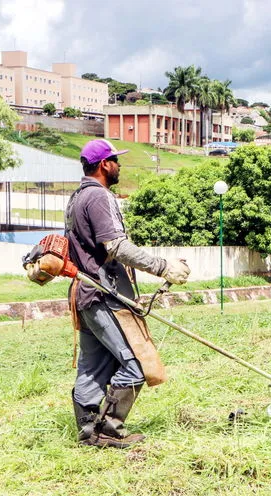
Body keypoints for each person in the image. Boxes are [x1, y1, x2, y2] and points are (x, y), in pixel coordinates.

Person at [65, 139, 190, 448]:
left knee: (93, 367)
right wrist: (162, 266)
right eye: (116, 161)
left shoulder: (77, 197)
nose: (120, 165)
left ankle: (87, 430)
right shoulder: (98, 197)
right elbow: (116, 246)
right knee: (136, 364)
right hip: (103, 295)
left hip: (86, 295)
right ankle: (106, 429)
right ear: (105, 165)